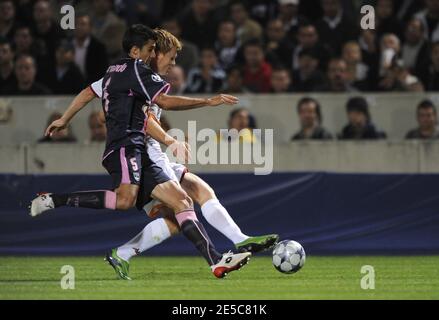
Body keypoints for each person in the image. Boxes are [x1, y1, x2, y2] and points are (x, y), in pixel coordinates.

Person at [30, 25, 250, 279]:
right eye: (150, 50)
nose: (152, 55)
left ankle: (130, 253)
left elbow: (87, 93)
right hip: (130, 148)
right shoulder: (138, 70)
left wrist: (66, 119)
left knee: (170, 211)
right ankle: (218, 259)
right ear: (136, 51)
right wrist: (207, 102)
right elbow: (161, 105)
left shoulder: (115, 70)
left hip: (129, 149)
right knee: (169, 201)